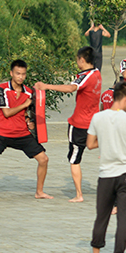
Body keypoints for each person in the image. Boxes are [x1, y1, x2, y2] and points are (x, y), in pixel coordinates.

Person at [0, 60, 52, 202]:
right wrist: (24, 104)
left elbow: (26, 112)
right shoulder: (1, 88)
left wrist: (29, 121)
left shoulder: (29, 91)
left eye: (23, 74)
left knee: (44, 159)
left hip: (22, 134)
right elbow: (6, 112)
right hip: (3, 133)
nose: (20, 77)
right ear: (11, 73)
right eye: (18, 73)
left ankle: (39, 192)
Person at [86, 81, 126, 253]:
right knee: (123, 218)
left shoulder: (98, 117)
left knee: (101, 216)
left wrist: (107, 142)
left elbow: (90, 144)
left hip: (106, 174)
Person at [35, 46, 101, 203]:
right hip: (94, 123)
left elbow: (71, 88)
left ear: (82, 60)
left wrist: (46, 86)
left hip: (79, 124)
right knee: (91, 145)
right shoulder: (97, 74)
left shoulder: (85, 76)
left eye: (77, 59)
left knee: (74, 159)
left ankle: (79, 195)